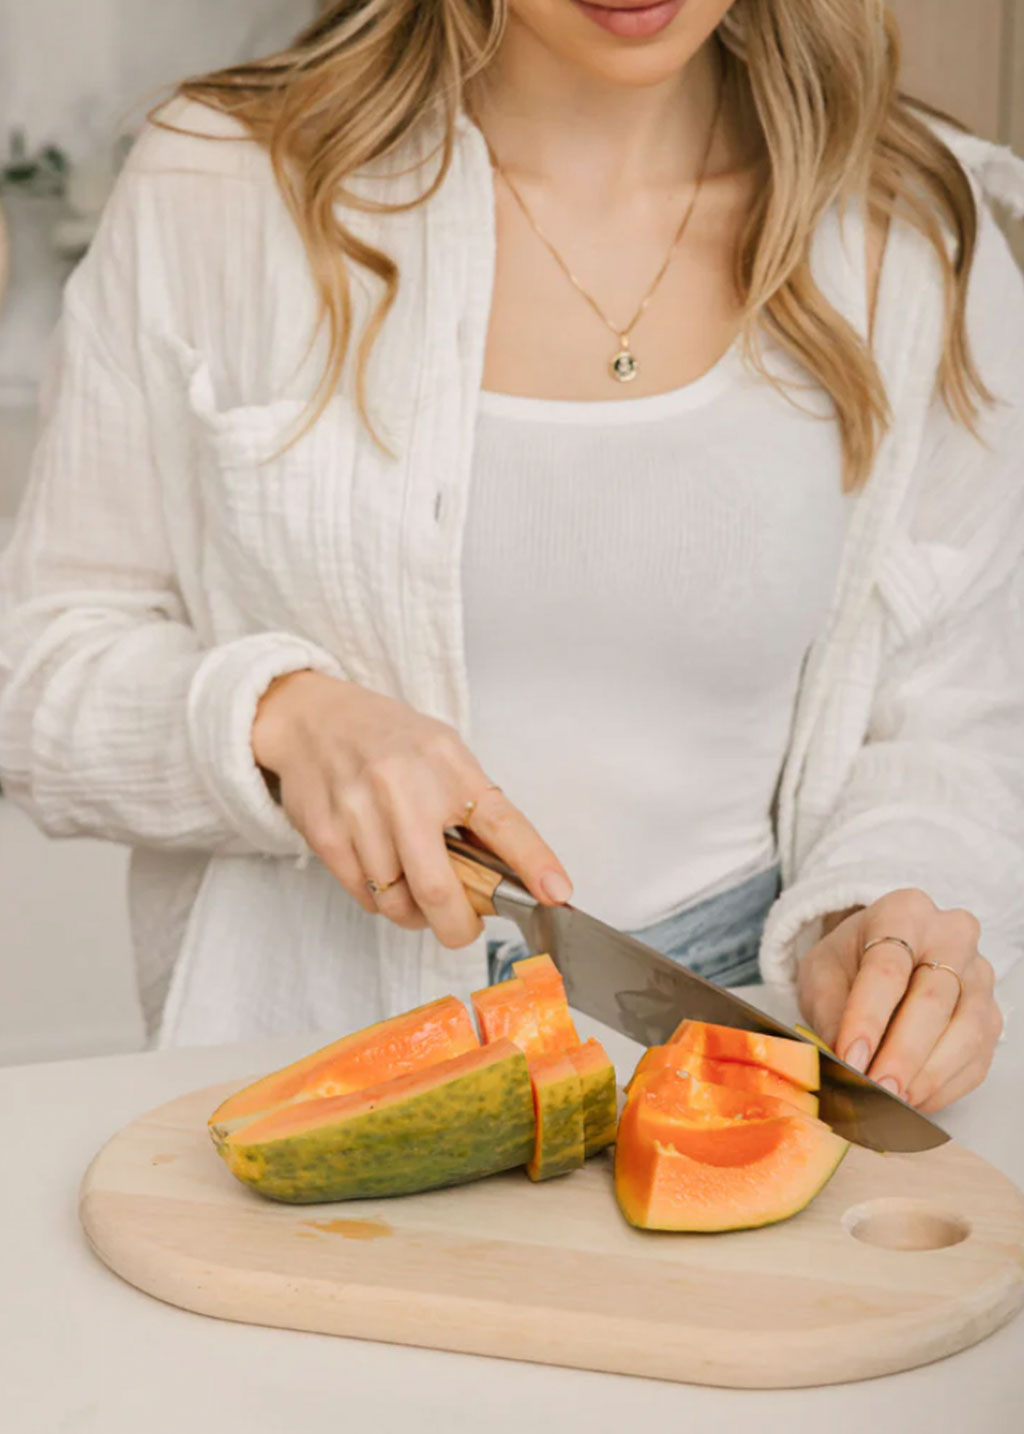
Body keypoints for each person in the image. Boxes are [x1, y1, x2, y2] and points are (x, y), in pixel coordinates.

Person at [1, 1, 1021, 1114]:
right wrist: (282, 718)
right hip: (320, 1045)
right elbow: (37, 668)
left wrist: (872, 914)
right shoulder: (223, 184)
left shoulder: (918, 230)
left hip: (747, 1032)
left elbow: (956, 716)